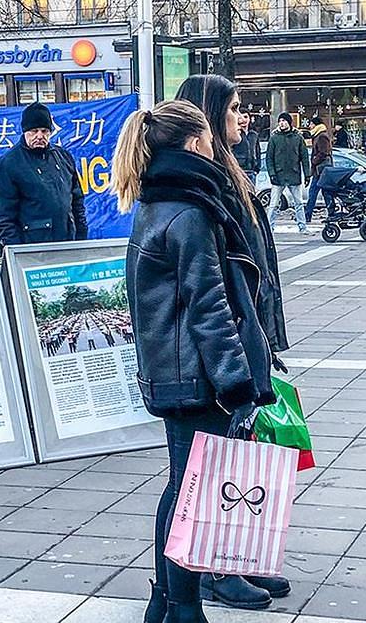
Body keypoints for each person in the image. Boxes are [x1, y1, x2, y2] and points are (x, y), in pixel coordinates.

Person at [113, 100, 276, 623]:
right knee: (194, 496)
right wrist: (237, 384)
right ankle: (182, 607)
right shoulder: (190, 212)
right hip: (197, 378)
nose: (213, 144)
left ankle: (165, 601)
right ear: (194, 144)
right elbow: (209, 307)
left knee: (182, 486)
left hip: (175, 372)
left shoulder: (160, 203)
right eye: (207, 135)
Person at [176, 74, 289, 610]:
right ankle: (209, 574)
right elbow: (213, 283)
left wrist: (268, 338)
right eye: (236, 110)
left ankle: (232, 560)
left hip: (246, 335)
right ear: (207, 116)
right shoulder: (206, 183)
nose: (245, 118)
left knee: (235, 456)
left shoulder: (230, 173)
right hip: (220, 347)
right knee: (208, 466)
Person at [0, 102, 88, 245]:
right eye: (34, 131)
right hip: (32, 248)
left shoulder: (63, 157)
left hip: (68, 242)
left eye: (44, 131)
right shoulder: (8, 164)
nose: (39, 136)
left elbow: (77, 201)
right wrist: (17, 251)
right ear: (25, 131)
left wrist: (81, 237)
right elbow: (3, 216)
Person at [265, 112, 310, 234]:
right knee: (273, 204)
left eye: (284, 121)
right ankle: (270, 227)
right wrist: (272, 174)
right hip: (278, 175)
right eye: (280, 121)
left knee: (299, 203)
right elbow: (269, 158)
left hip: (294, 174)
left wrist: (307, 174)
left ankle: (302, 226)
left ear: (289, 123)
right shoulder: (274, 138)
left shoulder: (298, 138)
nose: (281, 123)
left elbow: (304, 157)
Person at [304, 117, 335, 223]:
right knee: (322, 192)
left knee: (316, 192)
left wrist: (314, 160)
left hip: (322, 170)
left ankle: (308, 215)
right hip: (319, 170)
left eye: (311, 124)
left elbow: (324, 152)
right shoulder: (318, 135)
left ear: (316, 125)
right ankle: (330, 213)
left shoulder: (322, 136)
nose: (310, 126)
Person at [233, 111, 261, 185]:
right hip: (239, 169)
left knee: (251, 193)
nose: (243, 120)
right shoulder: (235, 134)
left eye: (245, 117)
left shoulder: (254, 134)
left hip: (252, 170)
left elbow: (258, 151)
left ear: (249, 119)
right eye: (240, 118)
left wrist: (257, 167)